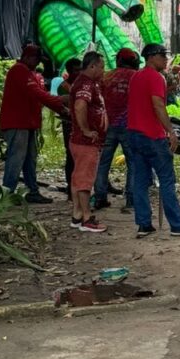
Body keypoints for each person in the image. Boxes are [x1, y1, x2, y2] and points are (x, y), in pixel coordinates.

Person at [127, 43, 180, 238]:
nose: (165, 59)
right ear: (150, 57)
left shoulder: (136, 77)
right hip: (152, 135)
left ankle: (144, 223)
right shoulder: (156, 78)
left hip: (134, 133)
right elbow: (158, 105)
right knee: (166, 179)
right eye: (161, 56)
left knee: (140, 180)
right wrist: (171, 131)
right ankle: (177, 224)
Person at [0, 43, 66, 202]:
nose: (38, 63)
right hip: (18, 122)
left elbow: (39, 95)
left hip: (26, 122)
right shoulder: (20, 71)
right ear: (29, 57)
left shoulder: (28, 72)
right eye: (37, 59)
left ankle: (32, 191)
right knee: (16, 159)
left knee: (29, 159)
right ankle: (6, 194)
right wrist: (62, 104)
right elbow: (38, 94)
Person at [94, 47, 139, 211]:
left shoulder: (106, 76)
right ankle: (131, 200)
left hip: (107, 125)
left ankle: (99, 197)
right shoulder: (136, 77)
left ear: (119, 60)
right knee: (133, 163)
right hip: (129, 125)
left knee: (103, 163)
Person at [68, 51, 108, 233]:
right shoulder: (85, 84)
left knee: (78, 177)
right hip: (85, 141)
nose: (103, 70)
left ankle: (77, 215)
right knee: (84, 179)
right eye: (101, 66)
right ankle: (86, 218)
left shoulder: (89, 83)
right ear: (92, 66)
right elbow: (80, 105)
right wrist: (85, 129)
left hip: (83, 139)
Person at [56, 57, 82, 200]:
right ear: (69, 71)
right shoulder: (63, 86)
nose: (78, 73)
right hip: (69, 124)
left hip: (82, 124)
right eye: (76, 70)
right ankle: (71, 188)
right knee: (71, 156)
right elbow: (61, 106)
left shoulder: (82, 84)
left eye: (80, 69)